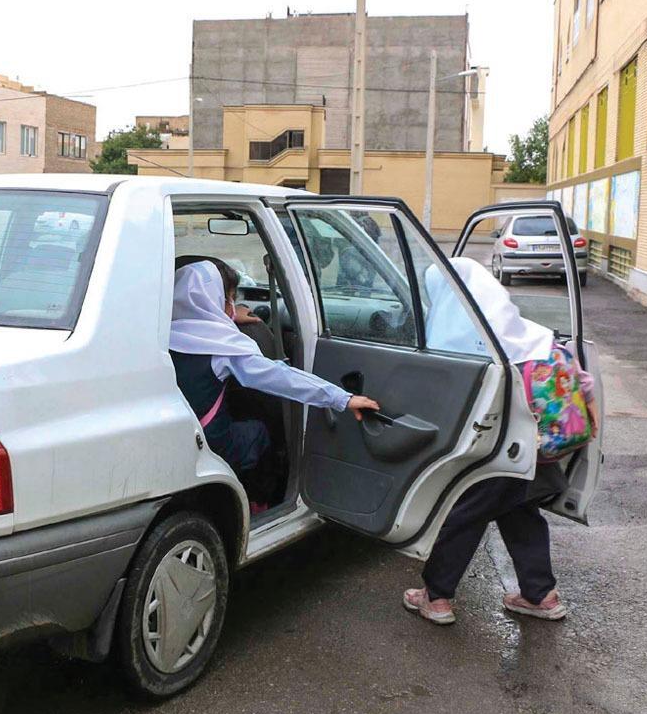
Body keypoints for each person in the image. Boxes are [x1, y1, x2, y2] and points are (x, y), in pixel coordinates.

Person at [403, 257, 598, 626]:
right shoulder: (531, 334)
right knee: (519, 511)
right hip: (540, 451)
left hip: (497, 451)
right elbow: (581, 381)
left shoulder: (462, 344)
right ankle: (540, 595)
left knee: (464, 515)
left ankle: (437, 596)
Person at [168, 260, 380, 502]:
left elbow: (200, 318)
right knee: (258, 432)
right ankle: (260, 501)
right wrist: (342, 398)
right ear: (214, 301)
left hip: (173, 439)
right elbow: (282, 378)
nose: (231, 306)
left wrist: (228, 315)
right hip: (210, 444)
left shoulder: (158, 337)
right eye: (229, 298)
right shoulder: (223, 348)